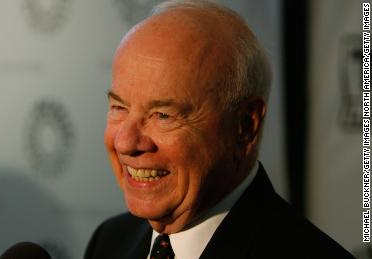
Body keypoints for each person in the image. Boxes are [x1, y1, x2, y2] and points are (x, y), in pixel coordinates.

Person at [85, 0, 354, 258]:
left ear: (245, 126)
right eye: (119, 108)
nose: (125, 142)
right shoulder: (110, 241)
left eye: (163, 115)